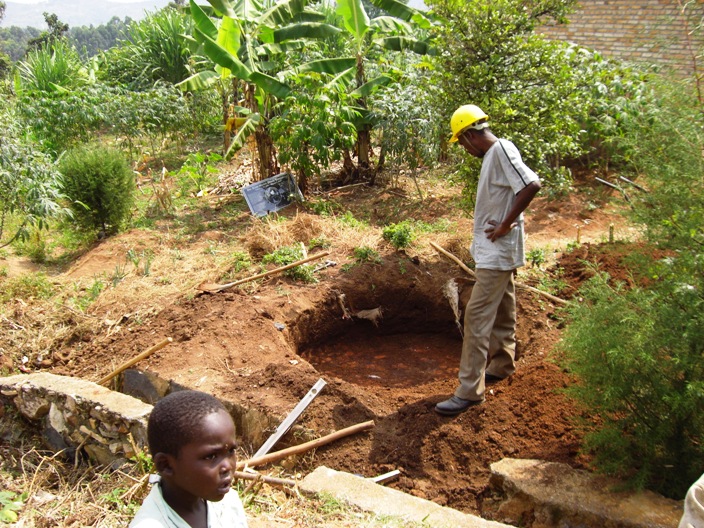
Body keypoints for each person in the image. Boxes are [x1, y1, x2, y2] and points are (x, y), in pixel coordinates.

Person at [435, 104, 541, 416]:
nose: (464, 150)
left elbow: (531, 184)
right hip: (496, 253)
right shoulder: (494, 156)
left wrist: (506, 224)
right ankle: (503, 364)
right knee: (504, 308)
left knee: (477, 315)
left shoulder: (501, 149)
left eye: (461, 143)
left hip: (497, 252)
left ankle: (469, 391)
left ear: (469, 135)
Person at [130, 390, 249, 528]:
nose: (227, 466)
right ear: (166, 465)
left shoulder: (228, 504)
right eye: (211, 456)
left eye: (231, 451)